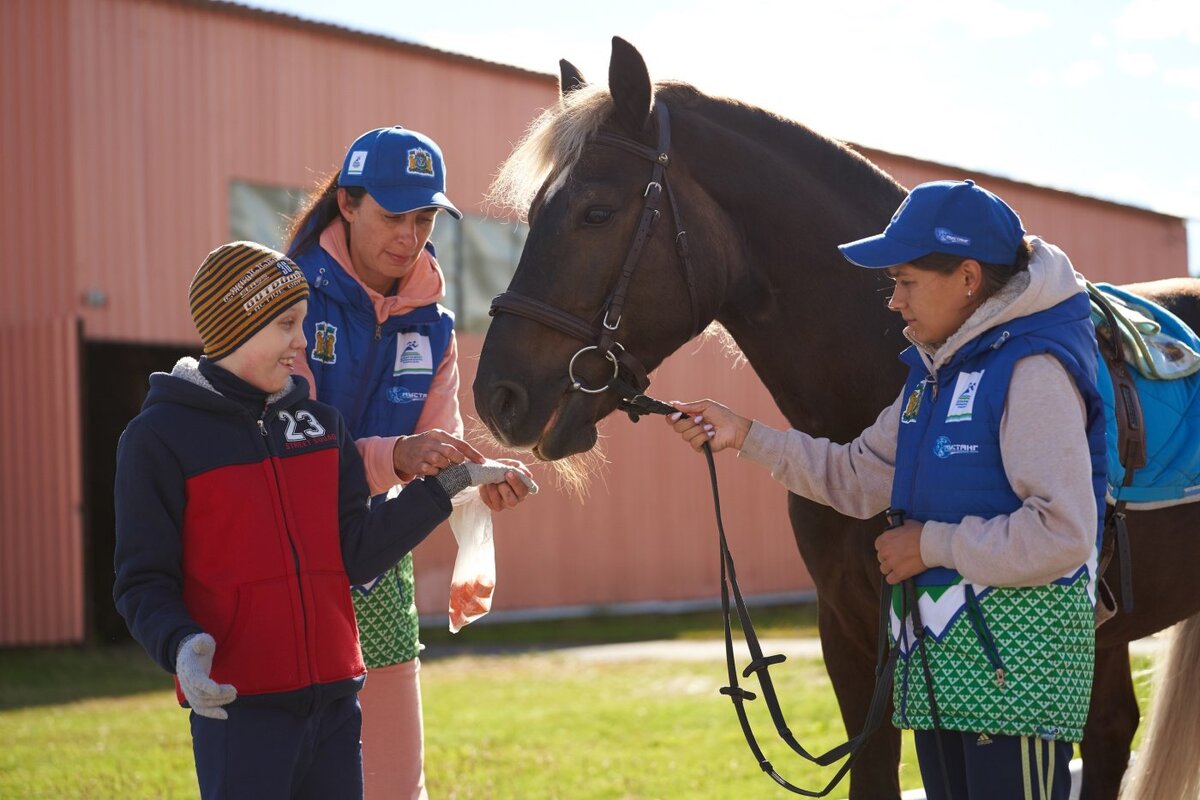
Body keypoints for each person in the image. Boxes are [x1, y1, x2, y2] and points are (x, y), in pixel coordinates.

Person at [667, 180, 1106, 800]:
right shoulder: (931, 381)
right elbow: (853, 477)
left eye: (906, 282)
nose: (894, 302)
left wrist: (931, 546)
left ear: (969, 279)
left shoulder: (1032, 373)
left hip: (1017, 688)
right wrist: (743, 435)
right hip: (944, 682)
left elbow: (1062, 535)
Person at [112, 241, 530, 798]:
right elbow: (142, 581)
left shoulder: (322, 427)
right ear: (238, 324)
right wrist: (182, 647)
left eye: (303, 322)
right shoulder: (158, 439)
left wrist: (445, 488)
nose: (301, 342)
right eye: (286, 324)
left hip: (337, 702)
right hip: (240, 708)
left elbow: (354, 553)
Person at [285, 125, 534, 799]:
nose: (411, 234)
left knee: (398, 783)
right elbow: (287, 444)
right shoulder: (291, 297)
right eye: (394, 215)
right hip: (286, 560)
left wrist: (477, 485)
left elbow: (438, 444)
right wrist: (392, 456)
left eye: (425, 216)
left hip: (377, 560)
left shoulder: (436, 326)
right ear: (347, 204)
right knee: (291, 768)